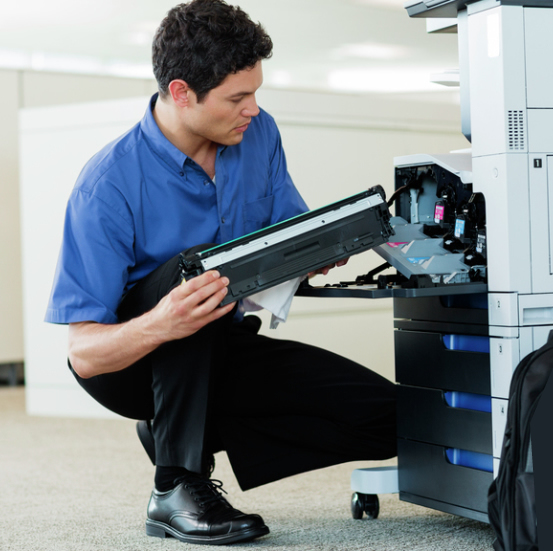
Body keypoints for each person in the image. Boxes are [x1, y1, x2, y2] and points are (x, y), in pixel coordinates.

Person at [45, 0, 396, 546]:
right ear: (182, 92)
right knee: (196, 275)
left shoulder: (258, 133)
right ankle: (175, 484)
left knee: (394, 419)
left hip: (219, 346)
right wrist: (162, 323)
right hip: (133, 365)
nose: (252, 109)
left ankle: (186, 429)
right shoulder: (107, 186)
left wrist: (316, 251)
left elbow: (284, 234)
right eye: (237, 98)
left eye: (255, 93)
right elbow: (85, 355)